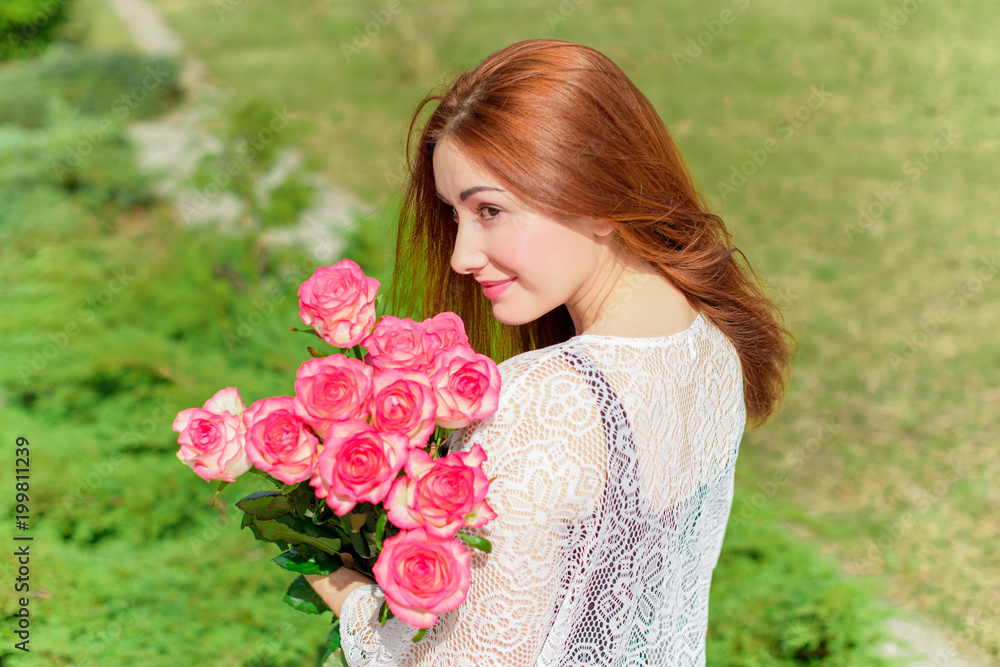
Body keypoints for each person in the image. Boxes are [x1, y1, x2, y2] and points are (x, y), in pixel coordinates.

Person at [306, 38, 794, 666]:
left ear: (598, 197)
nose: (460, 255)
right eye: (457, 214)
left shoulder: (539, 407)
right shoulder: (712, 341)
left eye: (491, 210)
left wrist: (352, 600)